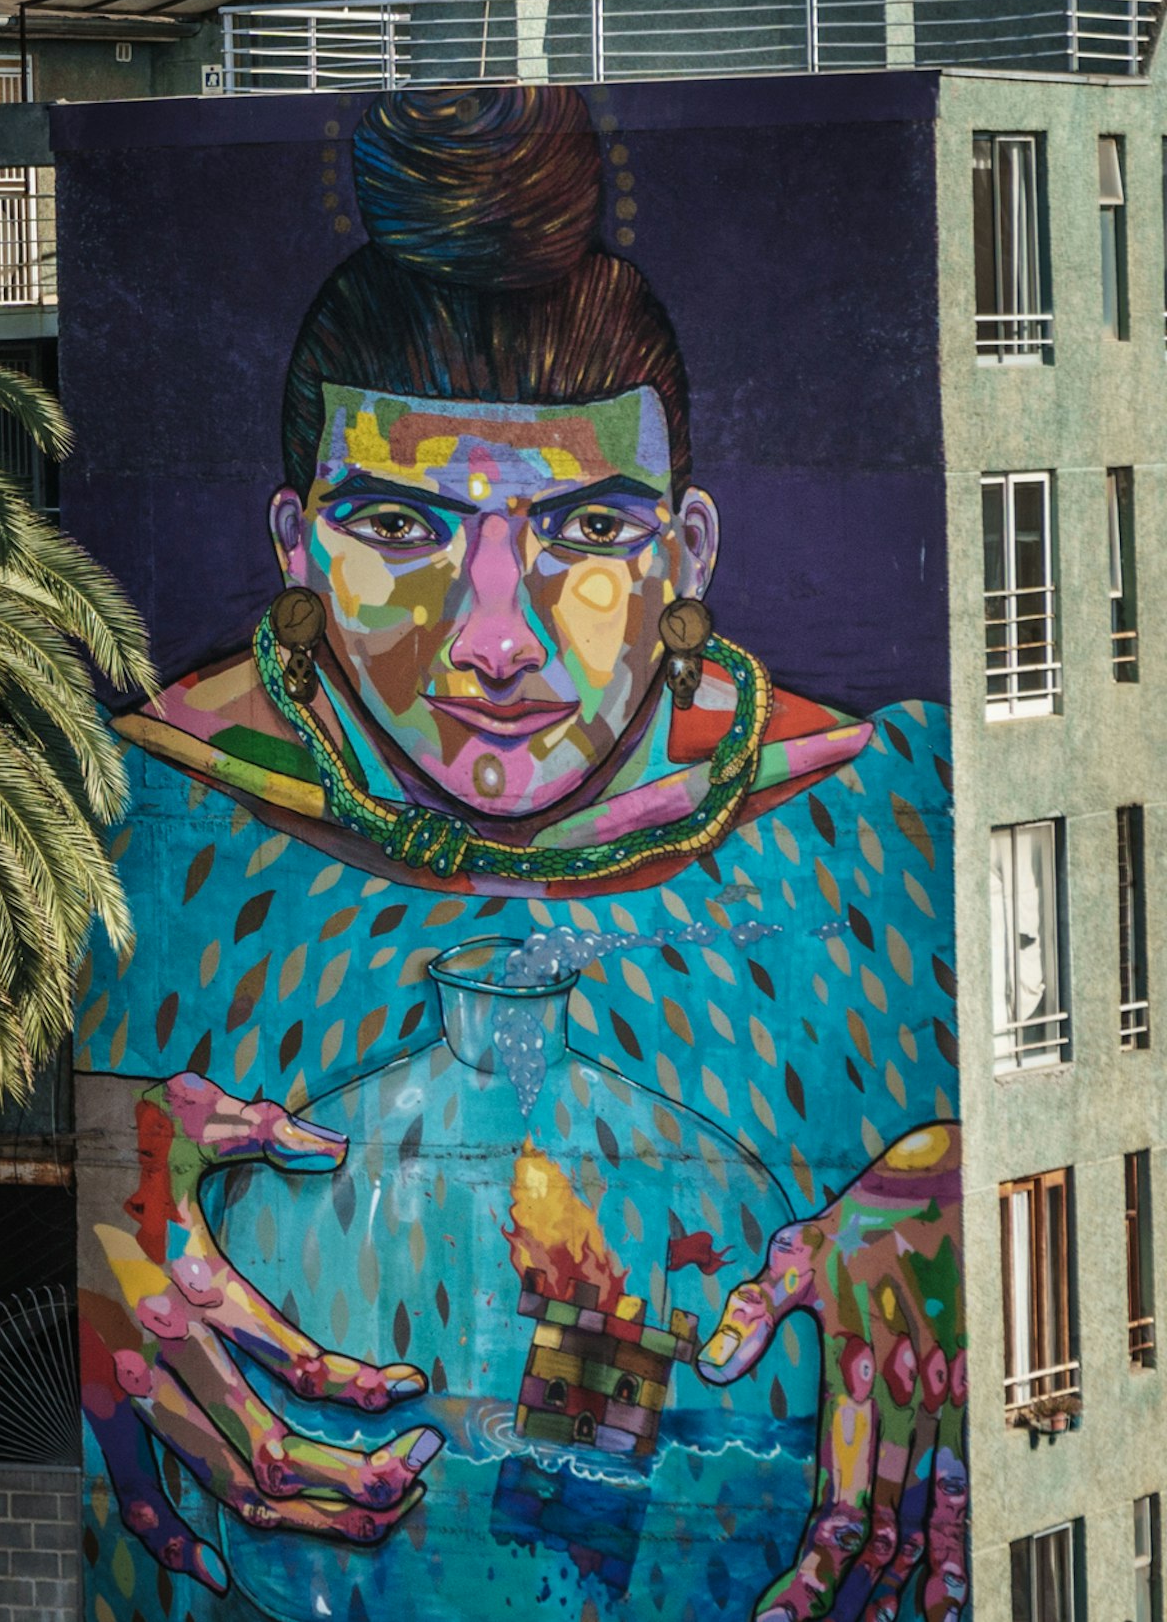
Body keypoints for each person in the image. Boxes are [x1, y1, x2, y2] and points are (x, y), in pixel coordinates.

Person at [75, 86, 963, 1622]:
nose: (492, 639)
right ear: (296, 547)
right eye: (404, 531)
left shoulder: (884, 817)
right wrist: (88, 1161)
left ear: (684, 552)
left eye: (583, 534)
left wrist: (985, 1199)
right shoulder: (132, 803)